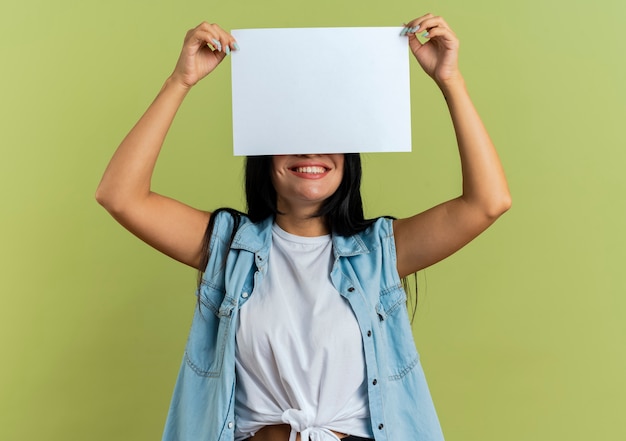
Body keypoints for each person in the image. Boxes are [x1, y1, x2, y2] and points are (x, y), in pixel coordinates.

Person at [96, 13, 511, 441]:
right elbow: (119, 195)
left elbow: (488, 202)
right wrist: (179, 81)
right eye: (291, 132)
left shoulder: (381, 252)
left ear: (350, 156)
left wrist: (450, 80)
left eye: (329, 134)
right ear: (263, 151)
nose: (311, 149)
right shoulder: (227, 247)